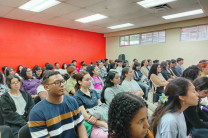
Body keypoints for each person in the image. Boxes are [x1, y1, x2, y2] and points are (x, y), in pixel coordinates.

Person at [28, 71, 87, 138]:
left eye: (62, 81)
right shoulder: (37, 112)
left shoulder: (71, 101)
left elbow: (80, 125)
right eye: (57, 82)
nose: (62, 85)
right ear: (47, 87)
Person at [73, 71, 108, 137]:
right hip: (90, 124)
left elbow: (101, 106)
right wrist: (103, 124)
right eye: (87, 80)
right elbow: (86, 117)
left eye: (90, 79)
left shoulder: (93, 92)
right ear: (79, 82)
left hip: (100, 118)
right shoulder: (77, 97)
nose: (90, 82)